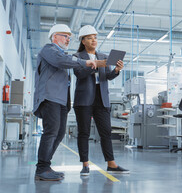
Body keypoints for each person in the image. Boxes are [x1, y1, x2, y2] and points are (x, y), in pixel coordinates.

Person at [33, 24, 104, 181]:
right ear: (54, 36)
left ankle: (45, 165)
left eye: (69, 37)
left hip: (61, 101)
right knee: (51, 132)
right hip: (50, 97)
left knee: (59, 133)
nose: (68, 39)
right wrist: (85, 62)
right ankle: (41, 168)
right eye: (65, 36)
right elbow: (61, 61)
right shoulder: (49, 49)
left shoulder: (62, 55)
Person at [73, 25, 129, 176]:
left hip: (101, 99)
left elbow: (108, 77)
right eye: (90, 38)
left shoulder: (103, 56)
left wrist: (116, 70)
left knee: (106, 132)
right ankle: (85, 164)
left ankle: (111, 164)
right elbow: (79, 73)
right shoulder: (77, 57)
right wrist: (96, 64)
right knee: (84, 132)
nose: (93, 40)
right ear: (83, 41)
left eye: (95, 38)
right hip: (84, 99)